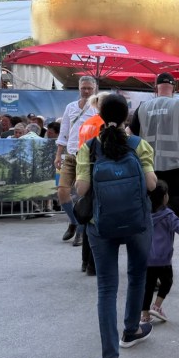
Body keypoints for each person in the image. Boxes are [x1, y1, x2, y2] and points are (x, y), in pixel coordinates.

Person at [75, 94, 157, 358]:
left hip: (101, 225)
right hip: (137, 221)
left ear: (100, 115)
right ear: (127, 117)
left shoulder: (89, 148)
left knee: (107, 289)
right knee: (137, 275)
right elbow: (151, 184)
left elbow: (82, 189)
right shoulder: (139, 145)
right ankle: (131, 330)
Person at [131, 73, 179, 218]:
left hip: (149, 170)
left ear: (155, 88)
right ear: (174, 88)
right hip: (175, 170)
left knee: (150, 210)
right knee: (174, 212)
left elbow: (129, 137)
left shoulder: (142, 108)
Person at [139, 179, 179, 325]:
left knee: (148, 287)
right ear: (164, 198)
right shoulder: (168, 215)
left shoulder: (144, 215)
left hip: (147, 259)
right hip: (163, 259)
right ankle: (156, 306)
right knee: (167, 282)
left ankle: (144, 315)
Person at [55, 75, 99, 246]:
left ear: (95, 89)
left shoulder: (98, 108)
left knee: (83, 193)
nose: (86, 91)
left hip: (88, 156)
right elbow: (64, 131)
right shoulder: (71, 107)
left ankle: (81, 230)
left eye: (89, 88)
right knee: (62, 191)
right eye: (83, 88)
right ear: (79, 88)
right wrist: (58, 154)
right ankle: (74, 221)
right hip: (71, 154)